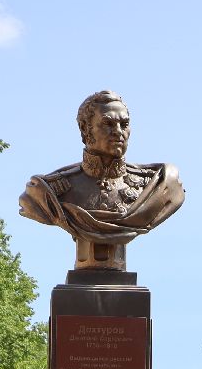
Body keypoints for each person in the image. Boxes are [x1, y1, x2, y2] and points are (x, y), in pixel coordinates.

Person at [18, 90, 185, 271]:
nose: (118, 132)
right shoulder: (50, 191)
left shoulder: (155, 185)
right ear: (85, 128)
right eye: (108, 123)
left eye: (124, 124)